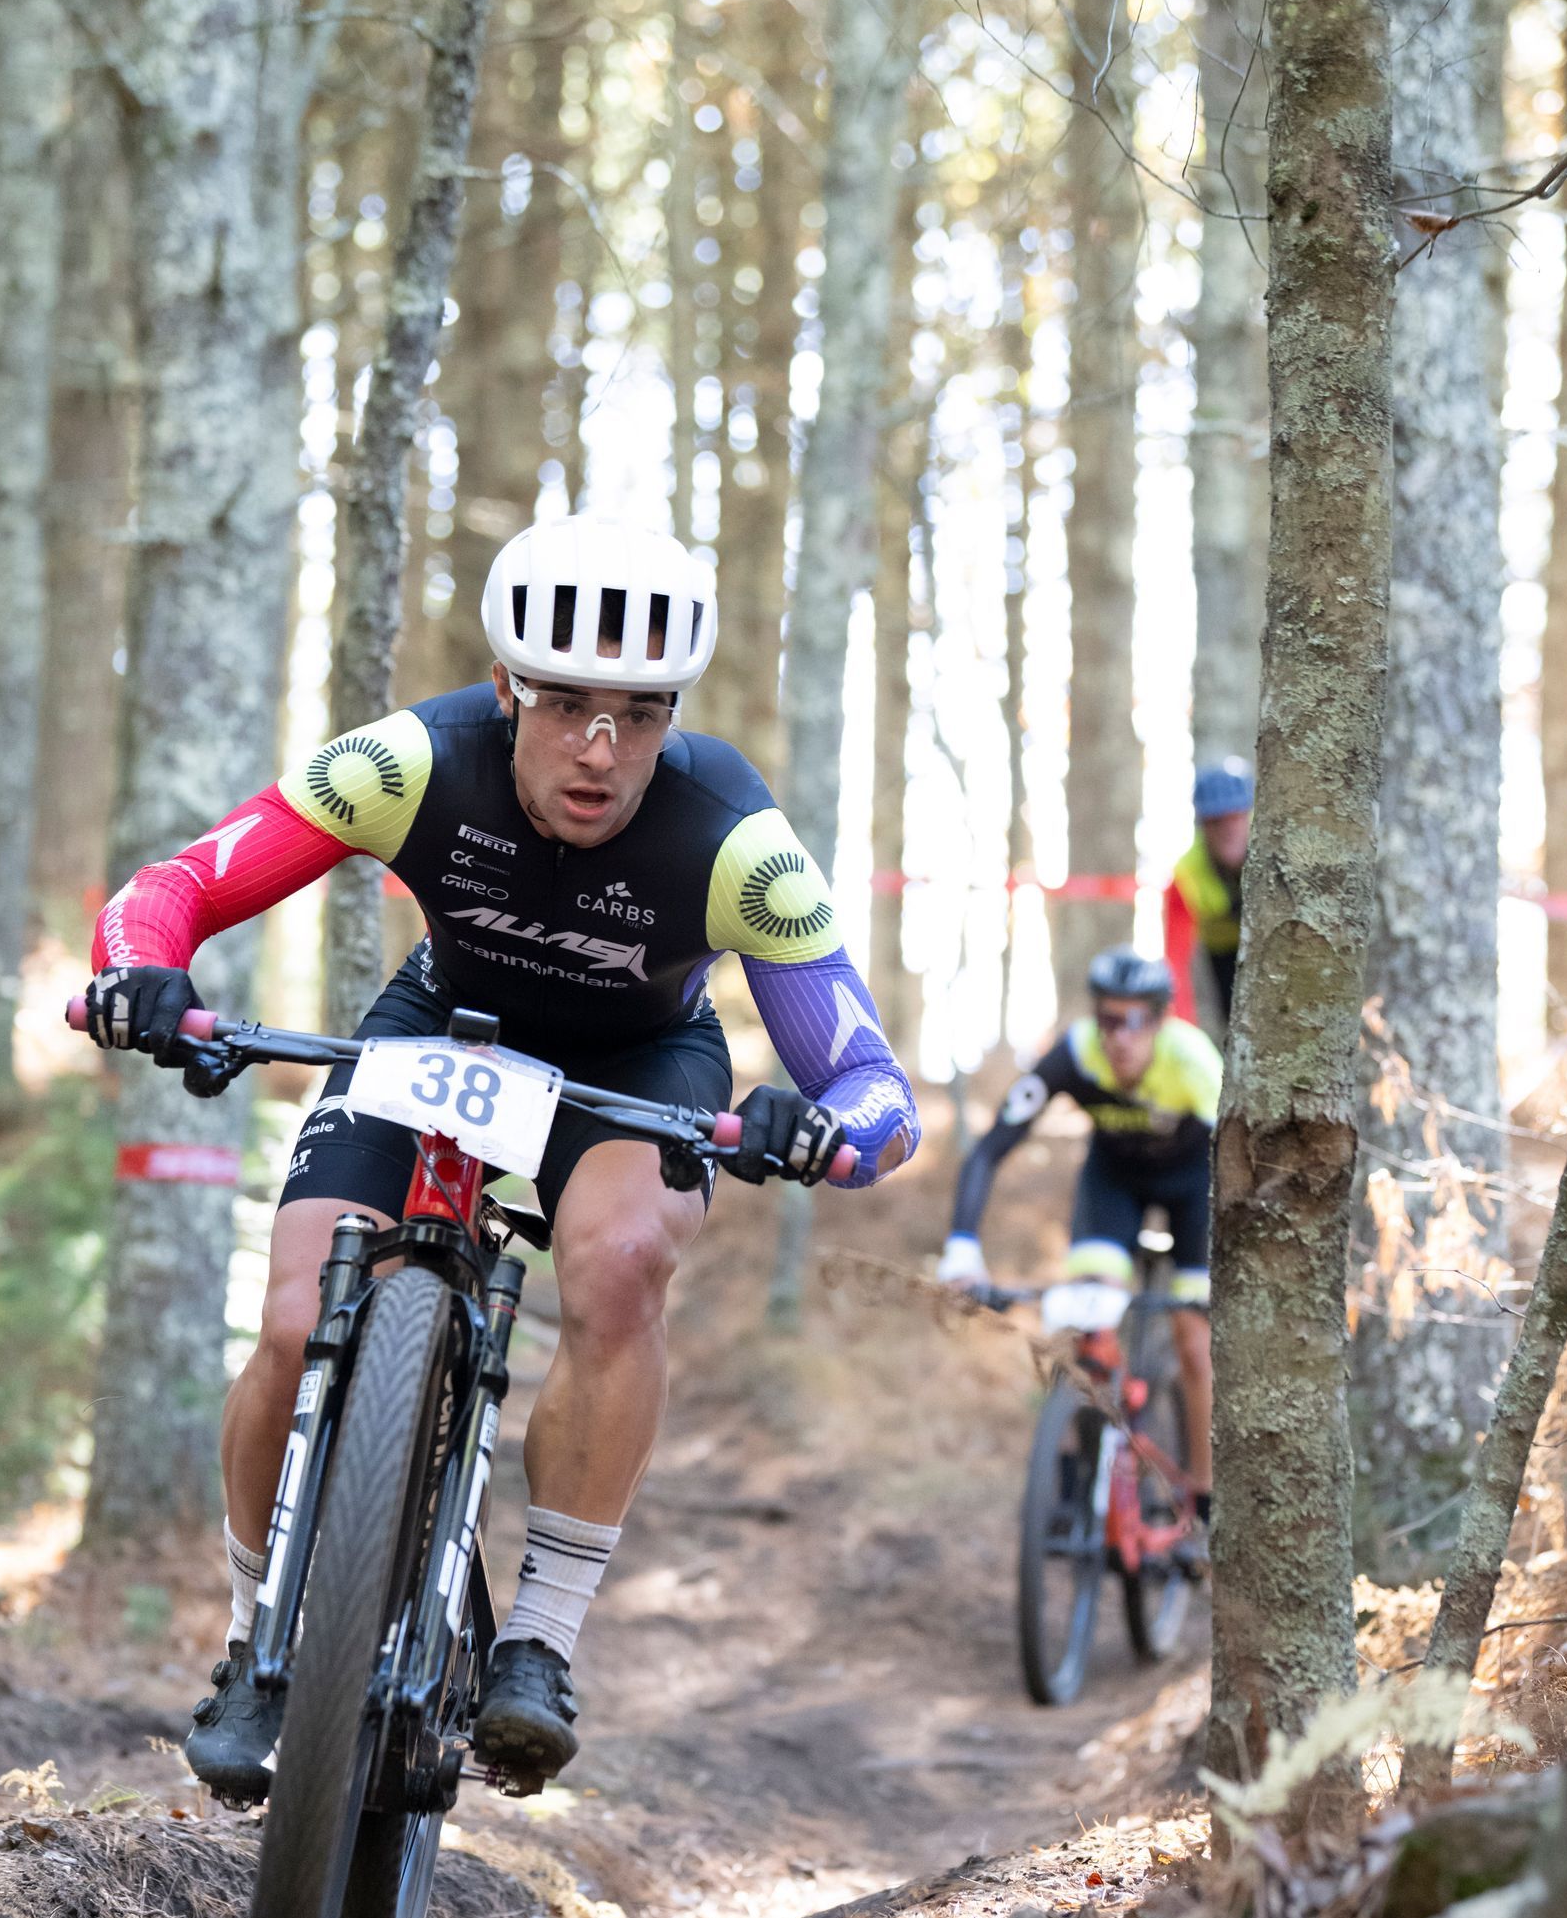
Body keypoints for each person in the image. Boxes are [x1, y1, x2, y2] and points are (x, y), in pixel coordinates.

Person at [86, 516, 920, 1800]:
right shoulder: (411, 762)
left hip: (641, 1060)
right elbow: (178, 884)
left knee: (620, 1259)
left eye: (638, 717)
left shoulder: (733, 834)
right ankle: (258, 1644)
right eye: (568, 705)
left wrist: (826, 1131)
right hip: (441, 1018)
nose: (601, 750)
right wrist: (141, 973)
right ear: (503, 692)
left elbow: (875, 1086)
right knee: (295, 1310)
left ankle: (540, 1641)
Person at [936, 947, 1217, 1517]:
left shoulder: (1192, 1062)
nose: (1119, 1036)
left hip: (1196, 1187)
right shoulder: (1076, 1055)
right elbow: (991, 1148)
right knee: (1089, 1324)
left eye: (1135, 1020)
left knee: (1193, 1339)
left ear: (1161, 1020)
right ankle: (1087, 1467)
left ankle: (1204, 1496)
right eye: (1108, 1018)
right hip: (1113, 1183)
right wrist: (961, 1247)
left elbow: (1242, 1161)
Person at [1164, 759, 1251, 1027]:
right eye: (1216, 820)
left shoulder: (1277, 847)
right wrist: (1181, 1027)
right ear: (1203, 825)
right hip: (1224, 957)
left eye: (1234, 817)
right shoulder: (1186, 875)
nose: (1228, 829)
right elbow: (1175, 961)